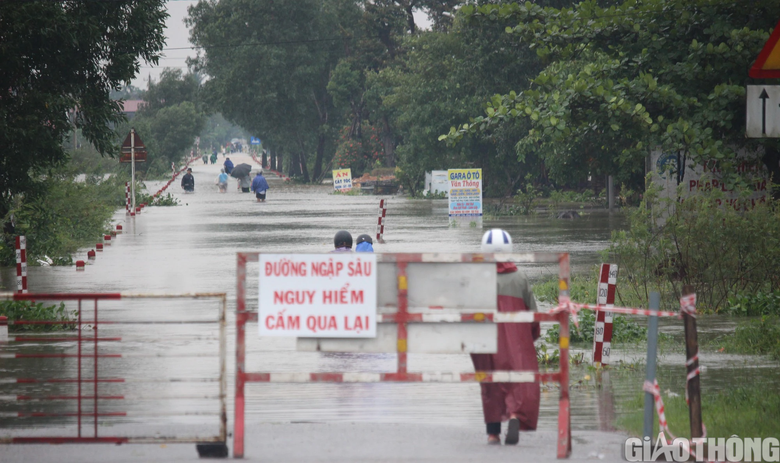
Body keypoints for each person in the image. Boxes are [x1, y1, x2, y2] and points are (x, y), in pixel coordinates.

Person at [470, 228, 540, 446]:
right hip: (516, 343)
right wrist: (530, 338)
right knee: (517, 382)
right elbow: (534, 315)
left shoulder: (477, 277)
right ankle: (513, 416)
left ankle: (493, 434)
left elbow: (468, 314)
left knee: (490, 385)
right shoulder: (520, 278)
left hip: (485, 343)